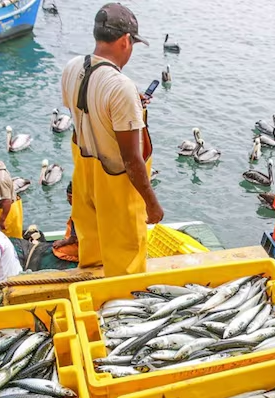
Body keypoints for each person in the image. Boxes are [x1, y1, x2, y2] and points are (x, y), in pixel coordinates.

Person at [61, 3, 164, 277]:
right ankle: (120, 307)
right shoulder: (121, 87)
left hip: (85, 178)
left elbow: (82, 114)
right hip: (116, 188)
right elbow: (132, 159)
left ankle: (93, 293)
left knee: (92, 254)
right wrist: (152, 204)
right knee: (126, 262)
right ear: (125, 40)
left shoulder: (72, 67)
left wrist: (128, 108)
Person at [52, 181, 78, 266]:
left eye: (69, 197)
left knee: (57, 250)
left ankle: (79, 259)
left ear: (72, 197)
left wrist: (62, 242)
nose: (67, 200)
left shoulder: (77, 213)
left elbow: (73, 239)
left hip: (86, 248)